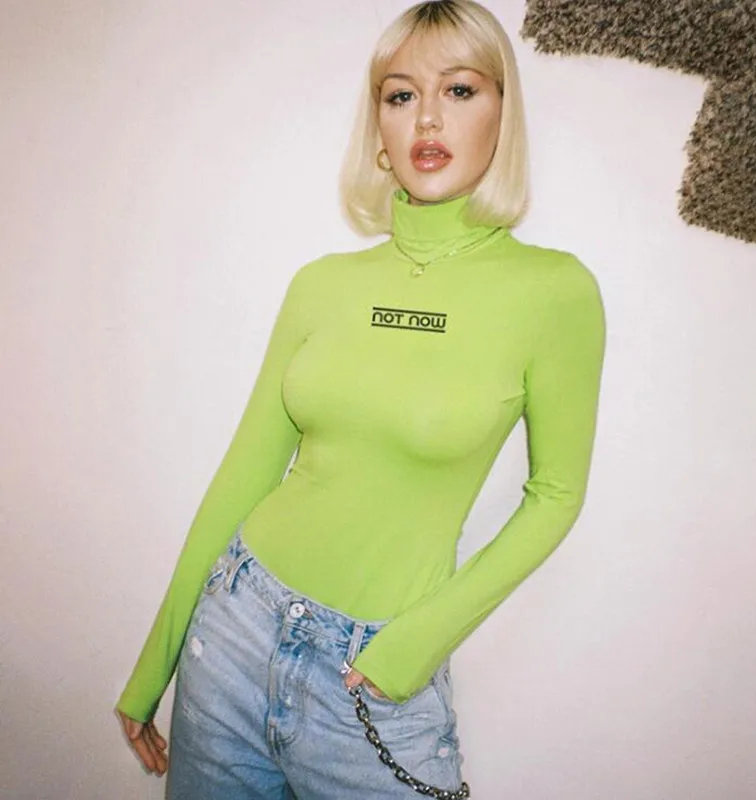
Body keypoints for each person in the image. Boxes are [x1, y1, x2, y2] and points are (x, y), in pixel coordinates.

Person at [114, 1, 606, 797]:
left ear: (503, 113)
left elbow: (556, 495)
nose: (427, 118)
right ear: (379, 128)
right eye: (401, 95)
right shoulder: (321, 285)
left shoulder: (554, 293)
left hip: (373, 675)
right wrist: (153, 667)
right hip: (235, 630)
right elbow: (244, 474)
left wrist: (413, 646)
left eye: (459, 89)